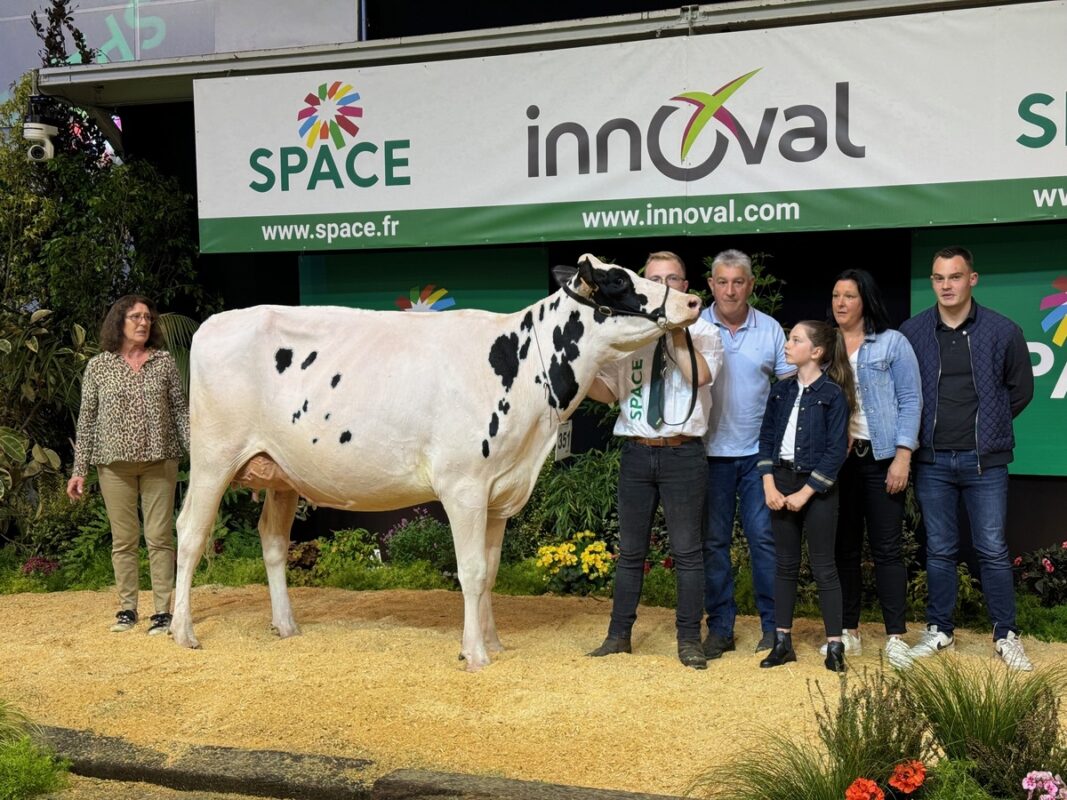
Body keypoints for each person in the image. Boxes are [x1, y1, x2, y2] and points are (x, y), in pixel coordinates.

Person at [899, 246, 1035, 671]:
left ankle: (1005, 635)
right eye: (939, 278)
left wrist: (989, 426)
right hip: (933, 461)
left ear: (971, 279)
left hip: (985, 461)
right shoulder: (913, 332)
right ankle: (940, 630)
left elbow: (1021, 389)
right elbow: (905, 392)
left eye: (955, 277)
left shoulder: (1002, 330)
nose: (946, 285)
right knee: (938, 549)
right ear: (932, 282)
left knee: (991, 549)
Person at [586, 252, 724, 669]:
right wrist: (581, 362)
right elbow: (608, 393)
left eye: (672, 279)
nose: (663, 286)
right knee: (630, 553)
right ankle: (618, 636)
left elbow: (698, 376)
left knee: (688, 553)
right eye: (653, 280)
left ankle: (688, 640)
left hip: (682, 454)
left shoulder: (704, 332)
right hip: (636, 452)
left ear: (686, 285)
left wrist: (675, 325)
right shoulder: (629, 334)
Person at [67, 295, 190, 635]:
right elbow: (87, 420)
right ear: (118, 322)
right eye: (135, 316)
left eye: (148, 317)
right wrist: (79, 470)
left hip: (159, 460)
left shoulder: (163, 362)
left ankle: (163, 611)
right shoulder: (99, 366)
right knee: (124, 539)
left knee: (159, 537)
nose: (143, 322)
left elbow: (180, 410)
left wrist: (199, 455)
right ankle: (127, 609)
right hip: (113, 465)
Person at [700, 249, 793, 660]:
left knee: (763, 541)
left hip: (759, 457)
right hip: (706, 453)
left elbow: (793, 390)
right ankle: (720, 628)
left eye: (739, 281)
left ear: (751, 285)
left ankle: (774, 628)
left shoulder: (771, 330)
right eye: (722, 281)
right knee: (714, 543)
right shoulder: (694, 325)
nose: (730, 290)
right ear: (711, 285)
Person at [827, 269, 921, 669]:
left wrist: (903, 455)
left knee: (886, 550)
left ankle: (896, 636)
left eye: (849, 295)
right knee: (843, 549)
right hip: (839, 461)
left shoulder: (892, 342)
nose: (840, 302)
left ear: (865, 300)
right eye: (835, 295)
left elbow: (911, 400)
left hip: (881, 457)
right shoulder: (824, 344)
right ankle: (849, 632)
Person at [757, 321, 852, 672]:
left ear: (816, 352)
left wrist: (806, 492)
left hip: (817, 488)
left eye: (795, 339)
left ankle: (834, 646)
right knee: (785, 564)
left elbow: (835, 451)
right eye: (788, 338)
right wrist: (769, 483)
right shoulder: (780, 391)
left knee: (824, 566)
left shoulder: (832, 394)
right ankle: (782, 641)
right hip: (780, 480)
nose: (787, 344)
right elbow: (766, 438)